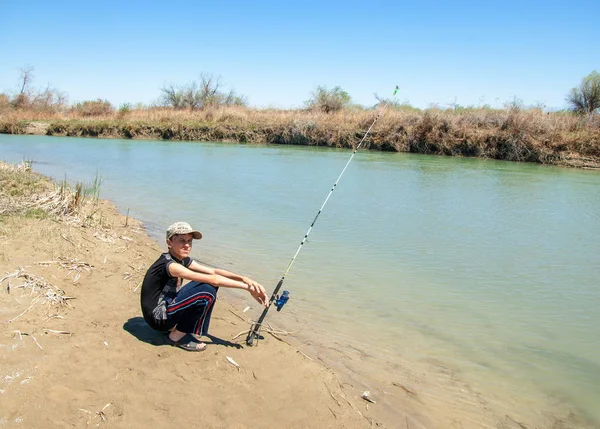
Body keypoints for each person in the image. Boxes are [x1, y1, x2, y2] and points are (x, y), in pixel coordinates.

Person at [140, 221, 268, 351]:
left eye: (189, 241)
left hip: (164, 309)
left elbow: (213, 271)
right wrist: (248, 288)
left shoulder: (181, 259)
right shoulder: (171, 265)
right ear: (169, 243)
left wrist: (244, 279)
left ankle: (176, 328)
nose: (187, 245)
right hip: (158, 318)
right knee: (207, 290)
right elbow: (214, 279)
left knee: (209, 286)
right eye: (181, 240)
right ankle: (175, 336)